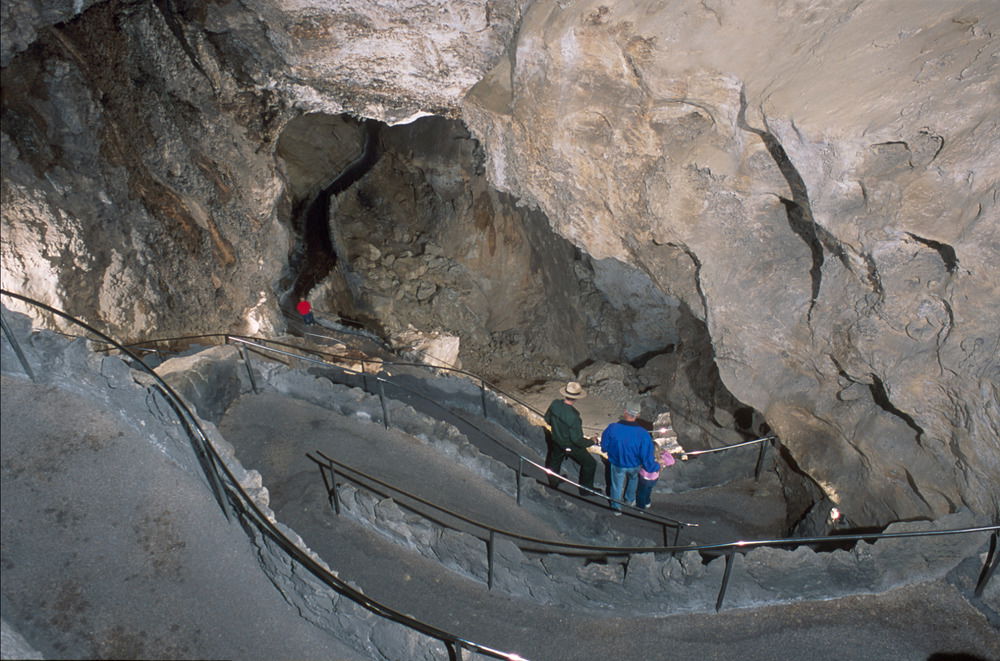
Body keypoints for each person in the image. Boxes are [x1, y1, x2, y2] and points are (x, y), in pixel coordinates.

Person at [600, 402, 659, 514]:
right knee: (633, 480)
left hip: (617, 463)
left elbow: (604, 445)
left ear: (625, 411)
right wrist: (654, 467)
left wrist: (606, 450)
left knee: (616, 485)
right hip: (635, 464)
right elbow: (647, 454)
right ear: (638, 415)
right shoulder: (643, 434)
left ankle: (616, 508)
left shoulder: (613, 428)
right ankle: (629, 500)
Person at [543, 381, 597, 496]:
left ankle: (554, 482)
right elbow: (576, 439)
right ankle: (585, 490)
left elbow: (547, 419)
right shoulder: (574, 416)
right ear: (576, 398)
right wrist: (591, 441)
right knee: (590, 463)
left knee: (555, 461)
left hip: (556, 440)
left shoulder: (555, 404)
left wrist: (558, 430)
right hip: (569, 446)